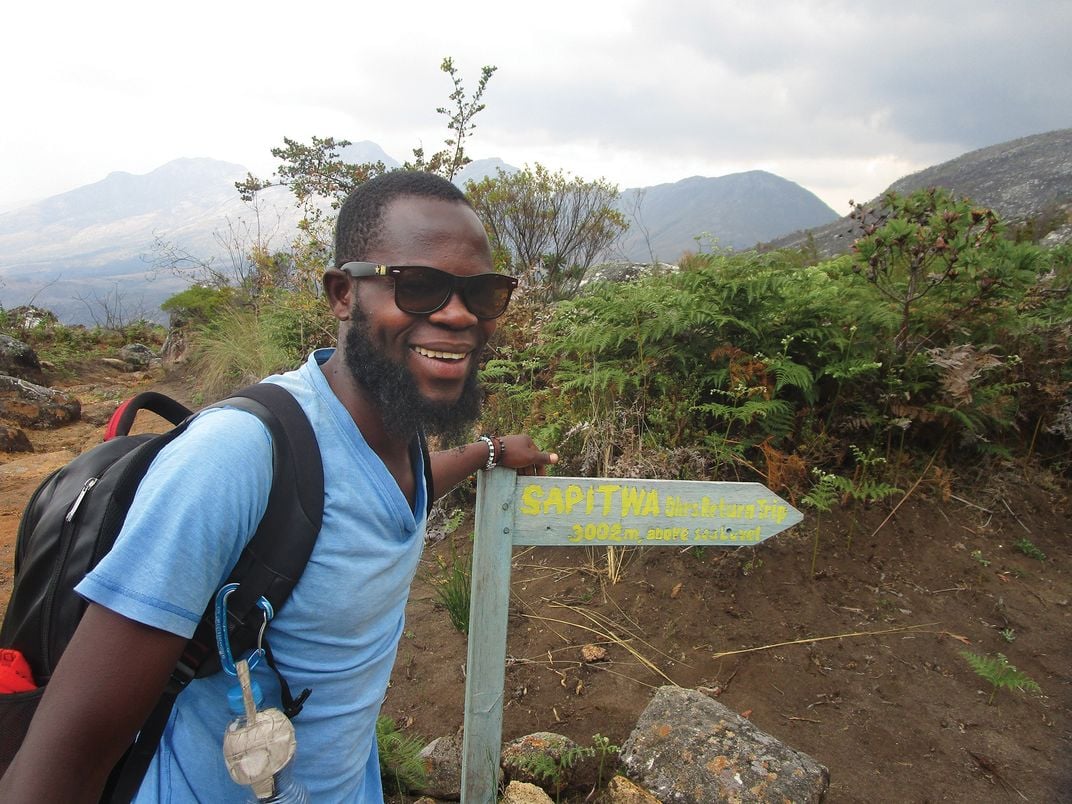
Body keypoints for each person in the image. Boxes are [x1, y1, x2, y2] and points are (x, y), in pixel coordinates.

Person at [0, 170, 558, 802]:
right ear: (344, 293)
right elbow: (58, 764)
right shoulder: (234, 458)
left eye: (482, 293)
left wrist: (488, 452)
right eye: (420, 286)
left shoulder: (390, 425)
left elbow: (387, 483)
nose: (458, 315)